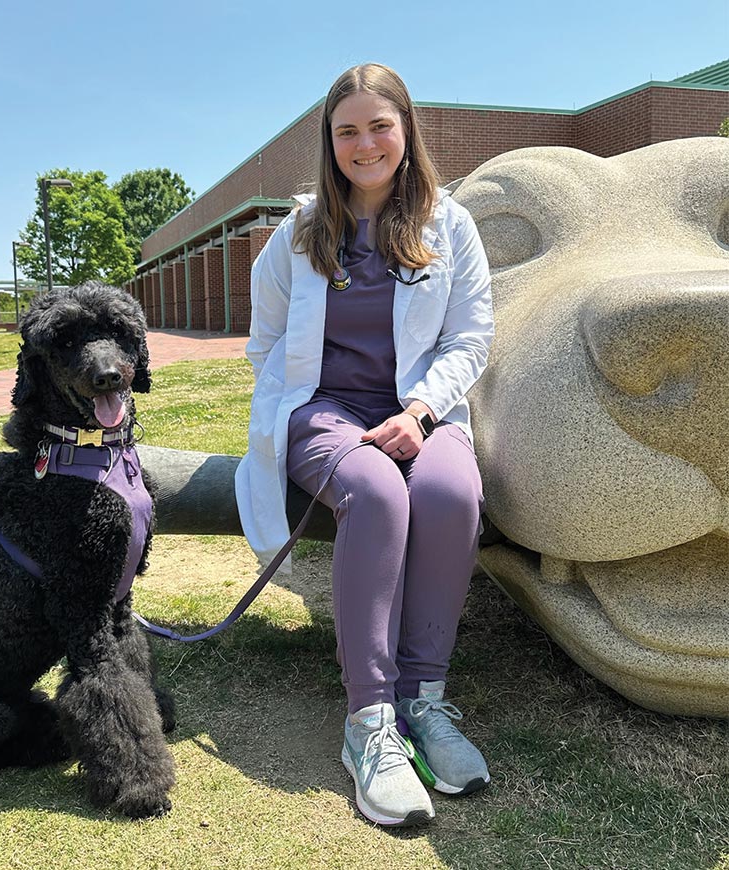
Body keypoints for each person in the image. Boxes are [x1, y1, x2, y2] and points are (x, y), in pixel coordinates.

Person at [234, 63, 494, 828]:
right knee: (377, 491)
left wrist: (418, 410)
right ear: (330, 141)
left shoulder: (452, 225)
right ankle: (368, 722)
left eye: (380, 125)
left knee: (450, 492)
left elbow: (471, 339)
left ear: (406, 129)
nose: (365, 143)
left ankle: (423, 701)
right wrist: (303, 400)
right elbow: (266, 340)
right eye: (347, 130)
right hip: (326, 413)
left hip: (424, 412)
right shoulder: (300, 232)